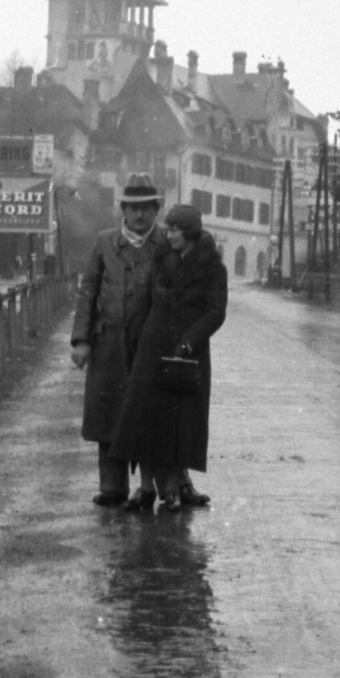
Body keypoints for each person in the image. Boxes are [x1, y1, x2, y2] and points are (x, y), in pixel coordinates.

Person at [108, 203, 228, 512]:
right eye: (169, 227)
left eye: (174, 229)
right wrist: (135, 338)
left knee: (181, 423)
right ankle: (146, 488)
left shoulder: (213, 267)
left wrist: (189, 341)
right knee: (144, 418)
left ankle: (173, 489)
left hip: (188, 353)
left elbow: (216, 313)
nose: (168, 233)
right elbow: (147, 300)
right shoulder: (162, 257)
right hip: (153, 345)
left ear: (189, 232)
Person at [71, 174, 166, 506]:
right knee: (108, 411)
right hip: (108, 343)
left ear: (156, 210)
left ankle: (159, 486)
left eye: (146, 208)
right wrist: (80, 340)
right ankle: (112, 486)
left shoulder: (168, 243)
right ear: (123, 210)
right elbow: (88, 292)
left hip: (151, 346)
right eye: (133, 208)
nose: (139, 215)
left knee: (152, 415)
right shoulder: (104, 242)